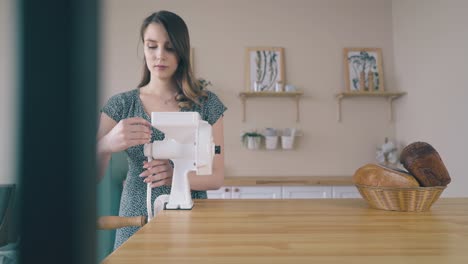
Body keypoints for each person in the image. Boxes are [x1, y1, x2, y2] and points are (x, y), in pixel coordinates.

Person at [97, 10, 227, 249]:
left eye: (169, 47)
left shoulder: (207, 104)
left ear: (181, 51)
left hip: (192, 221)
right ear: (144, 49)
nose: (160, 56)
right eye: (152, 46)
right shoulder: (121, 105)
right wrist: (106, 145)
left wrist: (177, 175)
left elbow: (217, 177)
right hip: (134, 222)